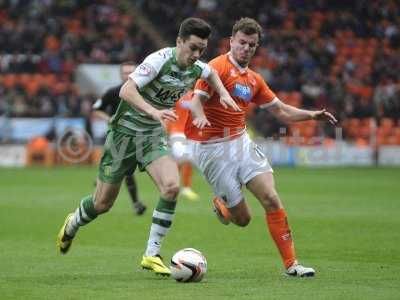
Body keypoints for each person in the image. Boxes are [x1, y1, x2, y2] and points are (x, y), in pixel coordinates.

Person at [56, 17, 238, 277]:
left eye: (202, 49)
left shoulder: (196, 66)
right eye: (193, 47)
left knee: (172, 186)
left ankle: (151, 254)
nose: (196, 54)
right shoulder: (158, 60)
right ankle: (72, 223)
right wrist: (153, 111)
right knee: (102, 203)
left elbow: (211, 73)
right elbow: (126, 91)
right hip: (123, 136)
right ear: (179, 42)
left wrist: (223, 94)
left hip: (151, 136)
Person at [185, 17, 337, 277]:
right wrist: (198, 114)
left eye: (251, 45)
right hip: (212, 149)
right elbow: (196, 99)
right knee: (243, 220)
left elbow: (281, 110)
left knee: (270, 197)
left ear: (256, 47)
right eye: (242, 42)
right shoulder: (216, 67)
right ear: (231, 41)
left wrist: (312, 115)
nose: (246, 48)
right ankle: (222, 204)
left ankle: (292, 265)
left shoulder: (254, 79)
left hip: (240, 141)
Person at [92, 61, 147, 215]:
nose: (128, 75)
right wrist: (109, 118)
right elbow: (96, 109)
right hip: (116, 136)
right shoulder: (112, 92)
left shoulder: (144, 90)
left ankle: (101, 181)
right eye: (125, 72)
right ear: (120, 74)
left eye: (131, 71)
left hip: (137, 135)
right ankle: (136, 204)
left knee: (124, 170)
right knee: (127, 171)